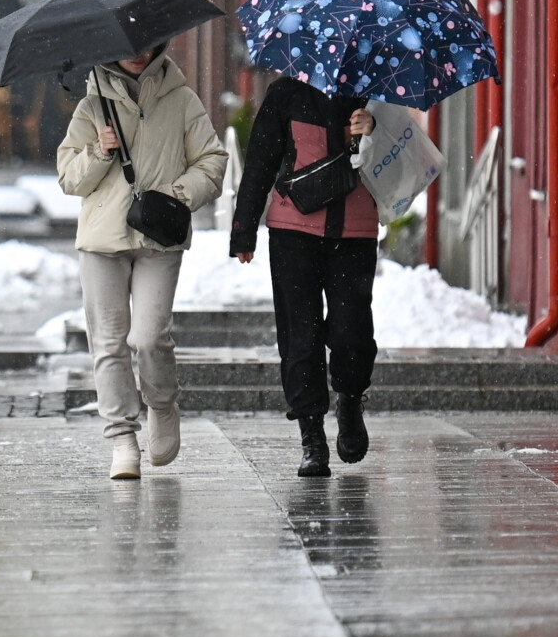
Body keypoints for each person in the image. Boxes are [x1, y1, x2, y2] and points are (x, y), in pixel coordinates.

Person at [58, 46, 228, 481]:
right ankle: (121, 438)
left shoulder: (181, 99)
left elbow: (212, 160)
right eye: (128, 47)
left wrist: (175, 195)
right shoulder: (92, 105)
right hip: (102, 240)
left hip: (159, 237)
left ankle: (162, 405)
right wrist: (99, 151)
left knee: (150, 337)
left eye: (147, 43)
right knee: (109, 343)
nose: (138, 54)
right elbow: (68, 178)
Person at [229, 76, 378, 478]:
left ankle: (350, 398)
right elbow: (261, 160)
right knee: (300, 335)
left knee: (352, 332)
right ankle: (311, 435)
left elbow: (403, 159)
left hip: (355, 231)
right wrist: (244, 229)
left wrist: (374, 131)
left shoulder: (377, 92)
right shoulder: (287, 93)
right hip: (293, 231)